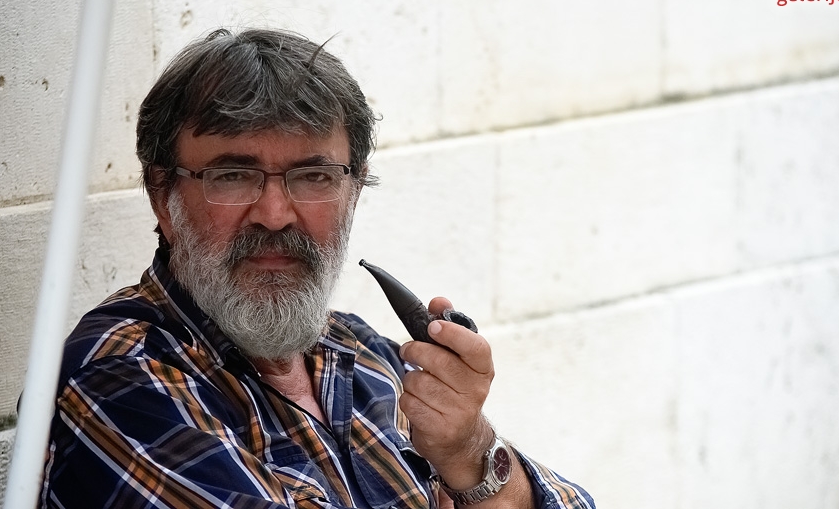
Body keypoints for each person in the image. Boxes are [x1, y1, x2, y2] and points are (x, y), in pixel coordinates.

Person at [41, 28, 595, 509]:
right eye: (232, 176)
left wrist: (471, 451)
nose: (275, 214)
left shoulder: (366, 355)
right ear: (163, 197)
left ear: (354, 191)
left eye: (313, 176)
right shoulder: (120, 375)